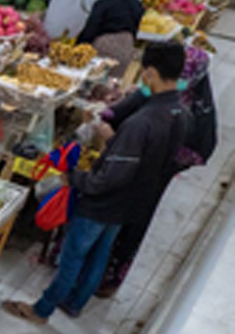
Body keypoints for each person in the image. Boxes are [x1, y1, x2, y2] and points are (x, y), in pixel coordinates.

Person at [5, 42, 191, 323]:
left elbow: (107, 178)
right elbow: (148, 158)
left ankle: (41, 310)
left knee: (73, 255)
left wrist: (74, 178)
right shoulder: (181, 114)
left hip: (104, 202)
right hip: (131, 201)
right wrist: (113, 140)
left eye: (143, 72)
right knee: (100, 253)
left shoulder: (142, 122)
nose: (142, 78)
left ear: (151, 73)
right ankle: (75, 303)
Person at [92, 44, 216, 297]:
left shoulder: (180, 112)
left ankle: (110, 274)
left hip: (169, 158)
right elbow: (141, 97)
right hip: (154, 156)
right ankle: (100, 264)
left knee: (138, 207)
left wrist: (113, 136)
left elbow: (138, 154)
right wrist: (110, 108)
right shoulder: (174, 90)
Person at [77, 0, 146, 79]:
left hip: (103, 48)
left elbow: (90, 31)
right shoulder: (137, 4)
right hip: (126, 50)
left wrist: (77, 49)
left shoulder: (103, 4)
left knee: (90, 80)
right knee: (110, 85)